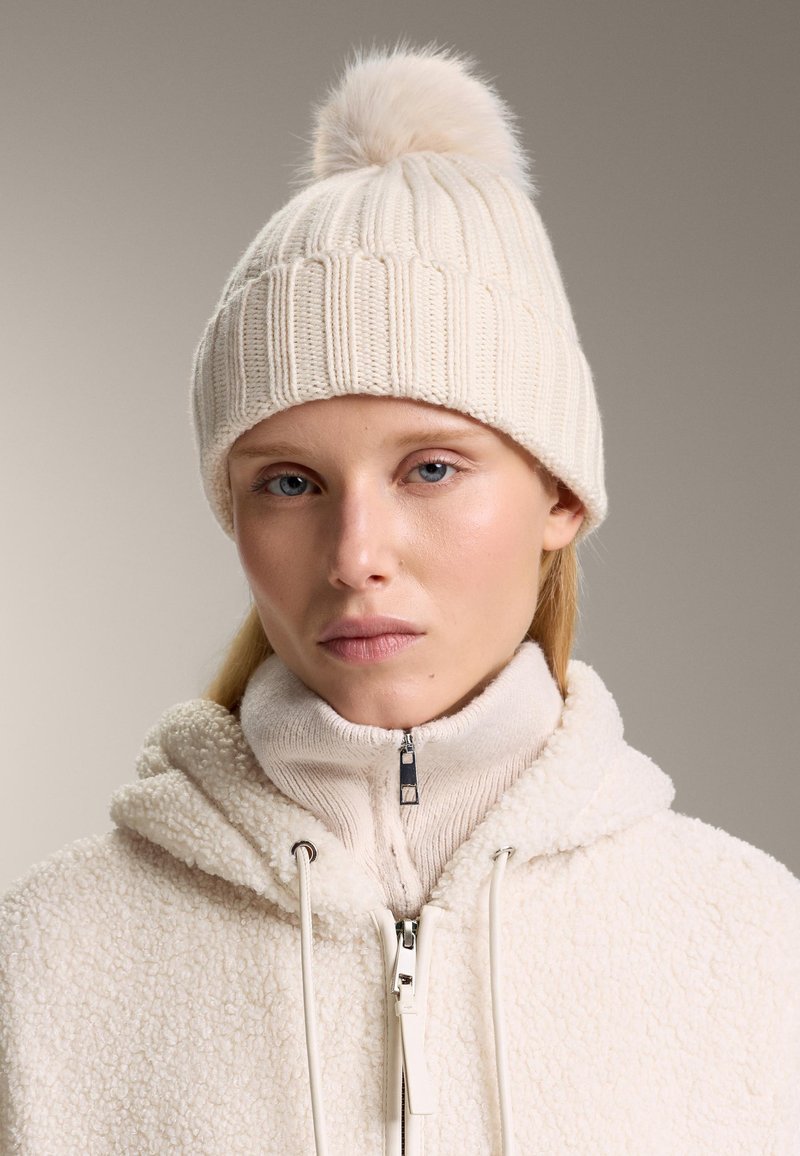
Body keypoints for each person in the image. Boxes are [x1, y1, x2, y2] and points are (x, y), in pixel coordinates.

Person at [1, 38, 798, 1156]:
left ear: (560, 493)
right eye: (289, 483)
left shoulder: (752, 945)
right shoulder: (45, 963)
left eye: (429, 468)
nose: (355, 555)